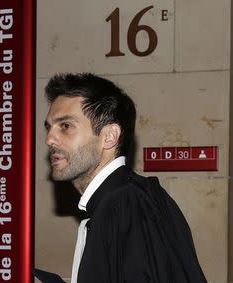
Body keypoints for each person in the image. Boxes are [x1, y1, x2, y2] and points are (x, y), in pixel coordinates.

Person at [43, 73, 207, 283]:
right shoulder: (130, 197)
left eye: (65, 126)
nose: (49, 139)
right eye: (48, 127)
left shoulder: (125, 205)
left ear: (109, 137)